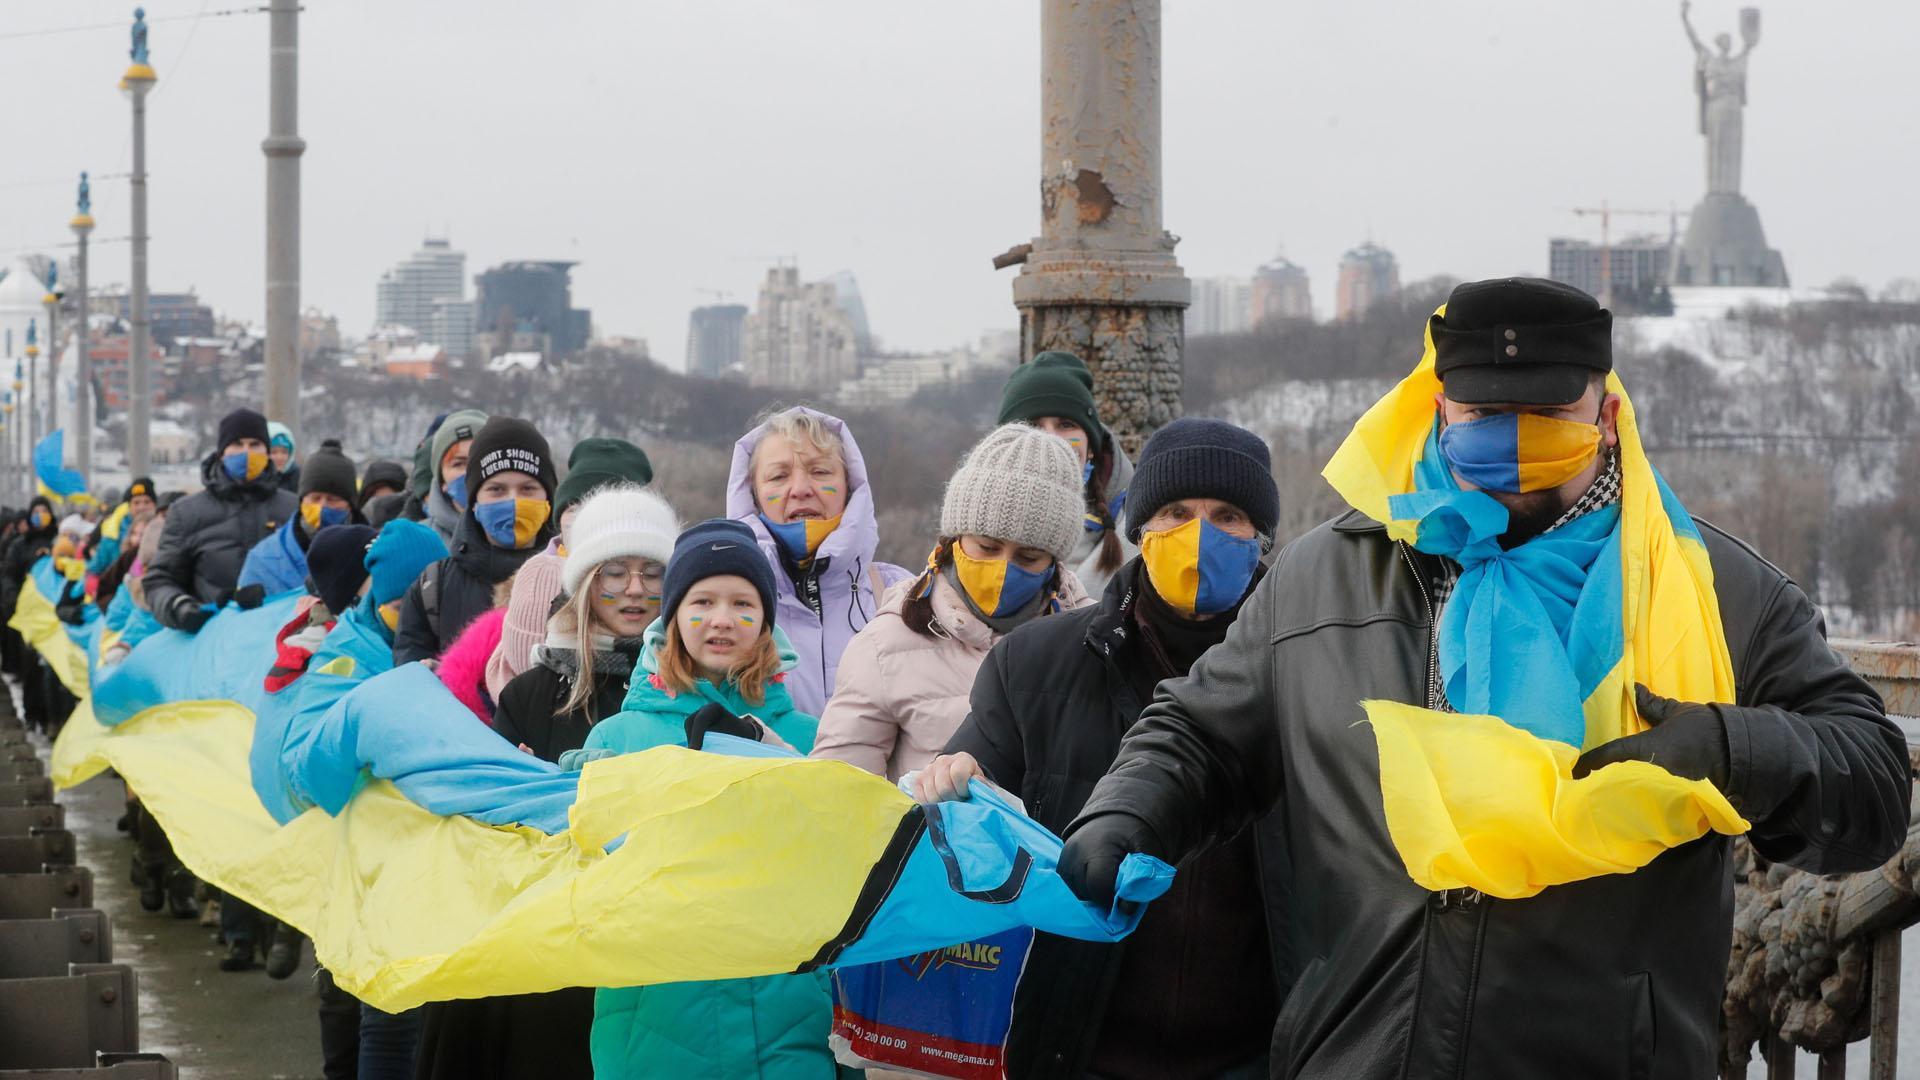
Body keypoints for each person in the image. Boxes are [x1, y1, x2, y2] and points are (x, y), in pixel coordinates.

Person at [1048, 278, 1912, 1077]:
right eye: (1485, 411)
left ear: (1606, 414)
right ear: (1438, 407)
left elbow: (1872, 784)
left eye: (1546, 412)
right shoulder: (1323, 577)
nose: (1511, 433)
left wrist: (1730, 749)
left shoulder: (1718, 591)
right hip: (1358, 1054)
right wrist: (1128, 811)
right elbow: (1200, 733)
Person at [914, 418, 1284, 1079]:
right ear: (1140, 528)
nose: (1200, 533)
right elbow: (967, 804)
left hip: (1261, 1049)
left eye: (1227, 514)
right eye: (1176, 511)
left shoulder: (1305, 667)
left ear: (1260, 537)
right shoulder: (1037, 664)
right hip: (1079, 1042)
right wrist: (957, 779)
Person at [412, 485, 680, 1080]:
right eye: (615, 571)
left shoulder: (689, 692)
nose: (634, 589)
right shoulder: (533, 692)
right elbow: (488, 826)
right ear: (585, 582)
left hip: (650, 943)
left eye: (651, 572)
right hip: (549, 949)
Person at [570, 517, 830, 1079]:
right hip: (652, 1022)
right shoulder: (617, 739)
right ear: (672, 618)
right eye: (702, 600)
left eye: (742, 603)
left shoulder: (812, 740)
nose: (721, 619)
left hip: (791, 1018)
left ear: (765, 620)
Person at [813, 423, 1093, 782]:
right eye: (987, 548)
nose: (1002, 570)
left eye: (1028, 557)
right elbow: (838, 791)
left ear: (1054, 562)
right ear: (954, 540)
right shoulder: (886, 645)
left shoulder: (1095, 639)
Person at [726, 405, 910, 716]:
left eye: (820, 471)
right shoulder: (724, 603)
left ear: (851, 489)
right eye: (779, 476)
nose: (800, 490)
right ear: (753, 495)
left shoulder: (901, 597)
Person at [485, 437, 655, 703]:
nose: (585, 520)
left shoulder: (649, 588)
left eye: (599, 509)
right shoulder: (538, 575)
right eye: (575, 507)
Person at [393, 416, 555, 665]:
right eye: (496, 489)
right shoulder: (434, 587)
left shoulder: (573, 581)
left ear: (548, 498)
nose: (513, 501)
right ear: (474, 500)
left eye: (528, 489)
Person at [143, 407, 299, 631]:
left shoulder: (293, 509)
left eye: (255, 445)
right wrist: (180, 607)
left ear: (267, 452)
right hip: (212, 639)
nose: (246, 452)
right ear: (221, 452)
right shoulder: (186, 513)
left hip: (279, 640)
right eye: (237, 444)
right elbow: (160, 579)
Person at [997, 351, 1137, 594]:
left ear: (1091, 446)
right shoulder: (977, 527)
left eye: (1066, 425)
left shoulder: (1139, 524)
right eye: (1033, 425)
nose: (1051, 439)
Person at [238, 439, 362, 596]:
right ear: (302, 500)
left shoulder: (372, 553)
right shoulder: (265, 558)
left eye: (332, 499)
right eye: (315, 498)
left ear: (350, 505)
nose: (322, 506)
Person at [418, 409, 487, 544]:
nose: (470, 472)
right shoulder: (420, 542)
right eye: (458, 464)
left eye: (479, 460)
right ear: (441, 479)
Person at [269, 420, 301, 492]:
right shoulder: (256, 478)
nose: (279, 457)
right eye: (273, 452)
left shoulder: (297, 477)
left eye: (284, 452)